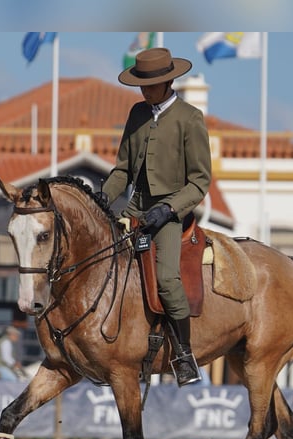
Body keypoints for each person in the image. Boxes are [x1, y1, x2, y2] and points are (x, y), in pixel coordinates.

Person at [101, 47, 211, 386]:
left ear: (168, 82)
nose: (144, 92)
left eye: (150, 86)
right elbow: (122, 170)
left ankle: (183, 353)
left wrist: (168, 209)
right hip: (135, 208)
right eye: (141, 86)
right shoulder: (136, 114)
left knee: (166, 279)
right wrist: (101, 198)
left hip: (170, 213)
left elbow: (200, 182)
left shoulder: (190, 118)